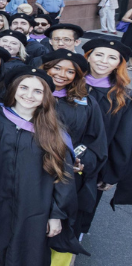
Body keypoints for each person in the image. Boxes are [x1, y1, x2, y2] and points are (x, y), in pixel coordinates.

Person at [0, 66, 85, 265]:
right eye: (23, 88)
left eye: (37, 91)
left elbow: (63, 177)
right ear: (13, 89)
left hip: (35, 207)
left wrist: (56, 215)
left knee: (29, 254)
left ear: (45, 97)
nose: (29, 95)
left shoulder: (53, 131)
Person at [40, 50, 108, 245]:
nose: (62, 74)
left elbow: (94, 139)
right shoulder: (28, 94)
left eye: (70, 72)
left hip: (66, 172)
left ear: (76, 76)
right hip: (32, 168)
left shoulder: (86, 102)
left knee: (59, 231)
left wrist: (78, 160)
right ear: (47, 67)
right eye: (57, 68)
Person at [81, 39, 132, 220]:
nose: (103, 61)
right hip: (57, 158)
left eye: (112, 57)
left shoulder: (123, 97)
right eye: (99, 54)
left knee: (81, 211)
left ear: (119, 64)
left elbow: (123, 139)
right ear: (88, 56)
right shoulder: (69, 84)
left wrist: (111, 174)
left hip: (95, 166)